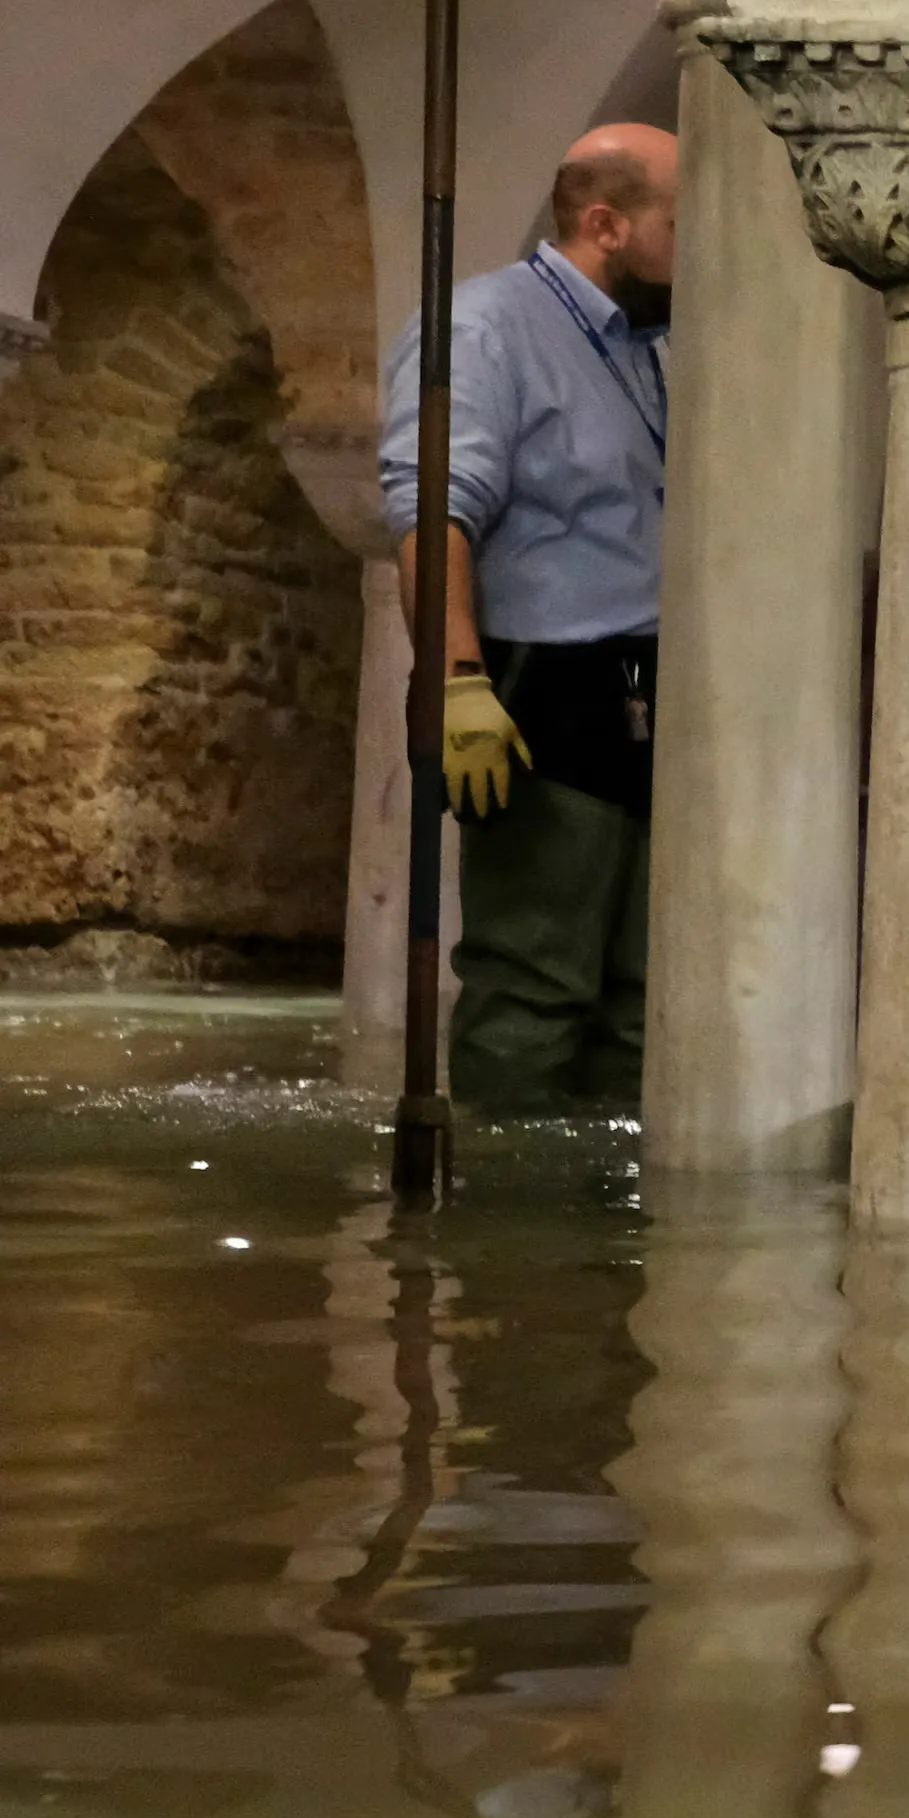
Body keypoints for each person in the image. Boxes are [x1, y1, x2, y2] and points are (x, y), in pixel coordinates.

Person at [377, 122, 678, 1115]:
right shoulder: (486, 328)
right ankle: (506, 1242)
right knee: (534, 984)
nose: (700, 249)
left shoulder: (646, 349)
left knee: (643, 1001)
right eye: (682, 223)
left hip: (646, 689)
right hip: (544, 690)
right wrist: (459, 683)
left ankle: (604, 1241)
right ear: (606, 223)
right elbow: (433, 509)